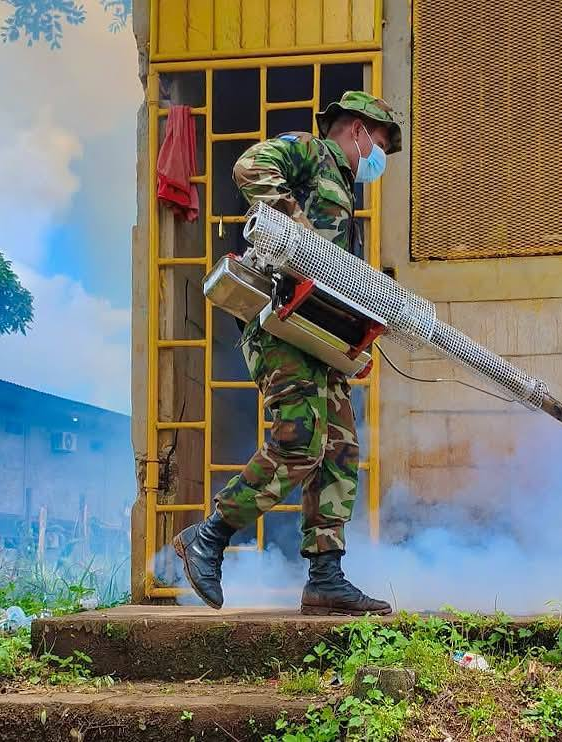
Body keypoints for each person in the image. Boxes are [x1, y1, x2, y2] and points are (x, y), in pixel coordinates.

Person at [173, 91, 403, 616]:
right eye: (381, 146)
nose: (378, 160)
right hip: (279, 323)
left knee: (340, 449)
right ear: (358, 130)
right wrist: (293, 224)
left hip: (319, 336)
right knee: (298, 441)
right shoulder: (310, 151)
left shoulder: (346, 195)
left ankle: (325, 578)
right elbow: (249, 165)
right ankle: (209, 536)